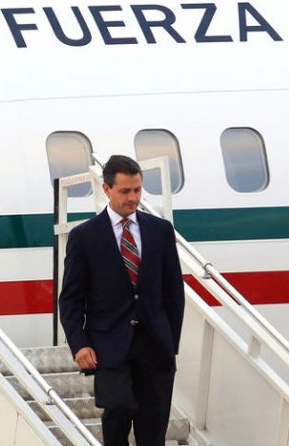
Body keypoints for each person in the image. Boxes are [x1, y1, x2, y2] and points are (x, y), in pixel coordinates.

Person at [59, 155, 185, 446]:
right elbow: (71, 299)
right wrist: (79, 343)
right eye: (125, 191)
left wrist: (170, 341)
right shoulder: (84, 236)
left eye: (137, 190)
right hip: (109, 345)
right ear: (107, 189)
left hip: (155, 345)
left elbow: (173, 292)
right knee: (118, 408)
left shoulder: (160, 230)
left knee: (153, 430)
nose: (133, 198)